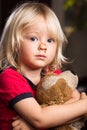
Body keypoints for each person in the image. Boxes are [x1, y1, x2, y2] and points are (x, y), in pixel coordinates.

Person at [0, 1, 87, 130]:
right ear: (15, 42)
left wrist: (31, 124)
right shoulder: (9, 77)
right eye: (33, 38)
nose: (43, 46)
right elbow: (40, 119)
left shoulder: (51, 74)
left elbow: (75, 99)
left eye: (50, 40)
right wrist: (84, 105)